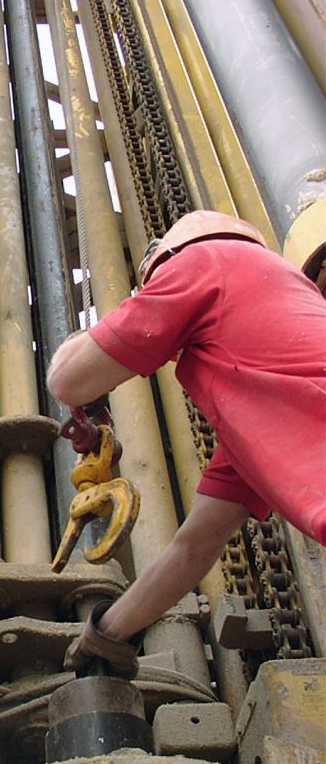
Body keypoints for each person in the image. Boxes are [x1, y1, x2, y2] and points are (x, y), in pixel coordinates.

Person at [47, 210, 326, 677]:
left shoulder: (203, 262)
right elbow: (196, 546)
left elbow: (67, 380)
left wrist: (85, 340)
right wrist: (109, 633)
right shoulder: (262, 409)